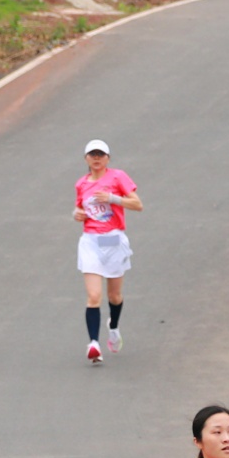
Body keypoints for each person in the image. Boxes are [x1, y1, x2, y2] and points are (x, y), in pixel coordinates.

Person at [74, 139, 142, 365]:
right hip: (90, 241)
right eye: (92, 154)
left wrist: (112, 198)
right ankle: (93, 343)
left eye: (100, 155)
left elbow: (137, 204)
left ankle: (113, 326)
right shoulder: (81, 184)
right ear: (86, 158)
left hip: (114, 240)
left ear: (107, 158)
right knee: (94, 296)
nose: (96, 158)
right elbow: (80, 207)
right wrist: (77, 214)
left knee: (114, 295)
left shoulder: (117, 177)